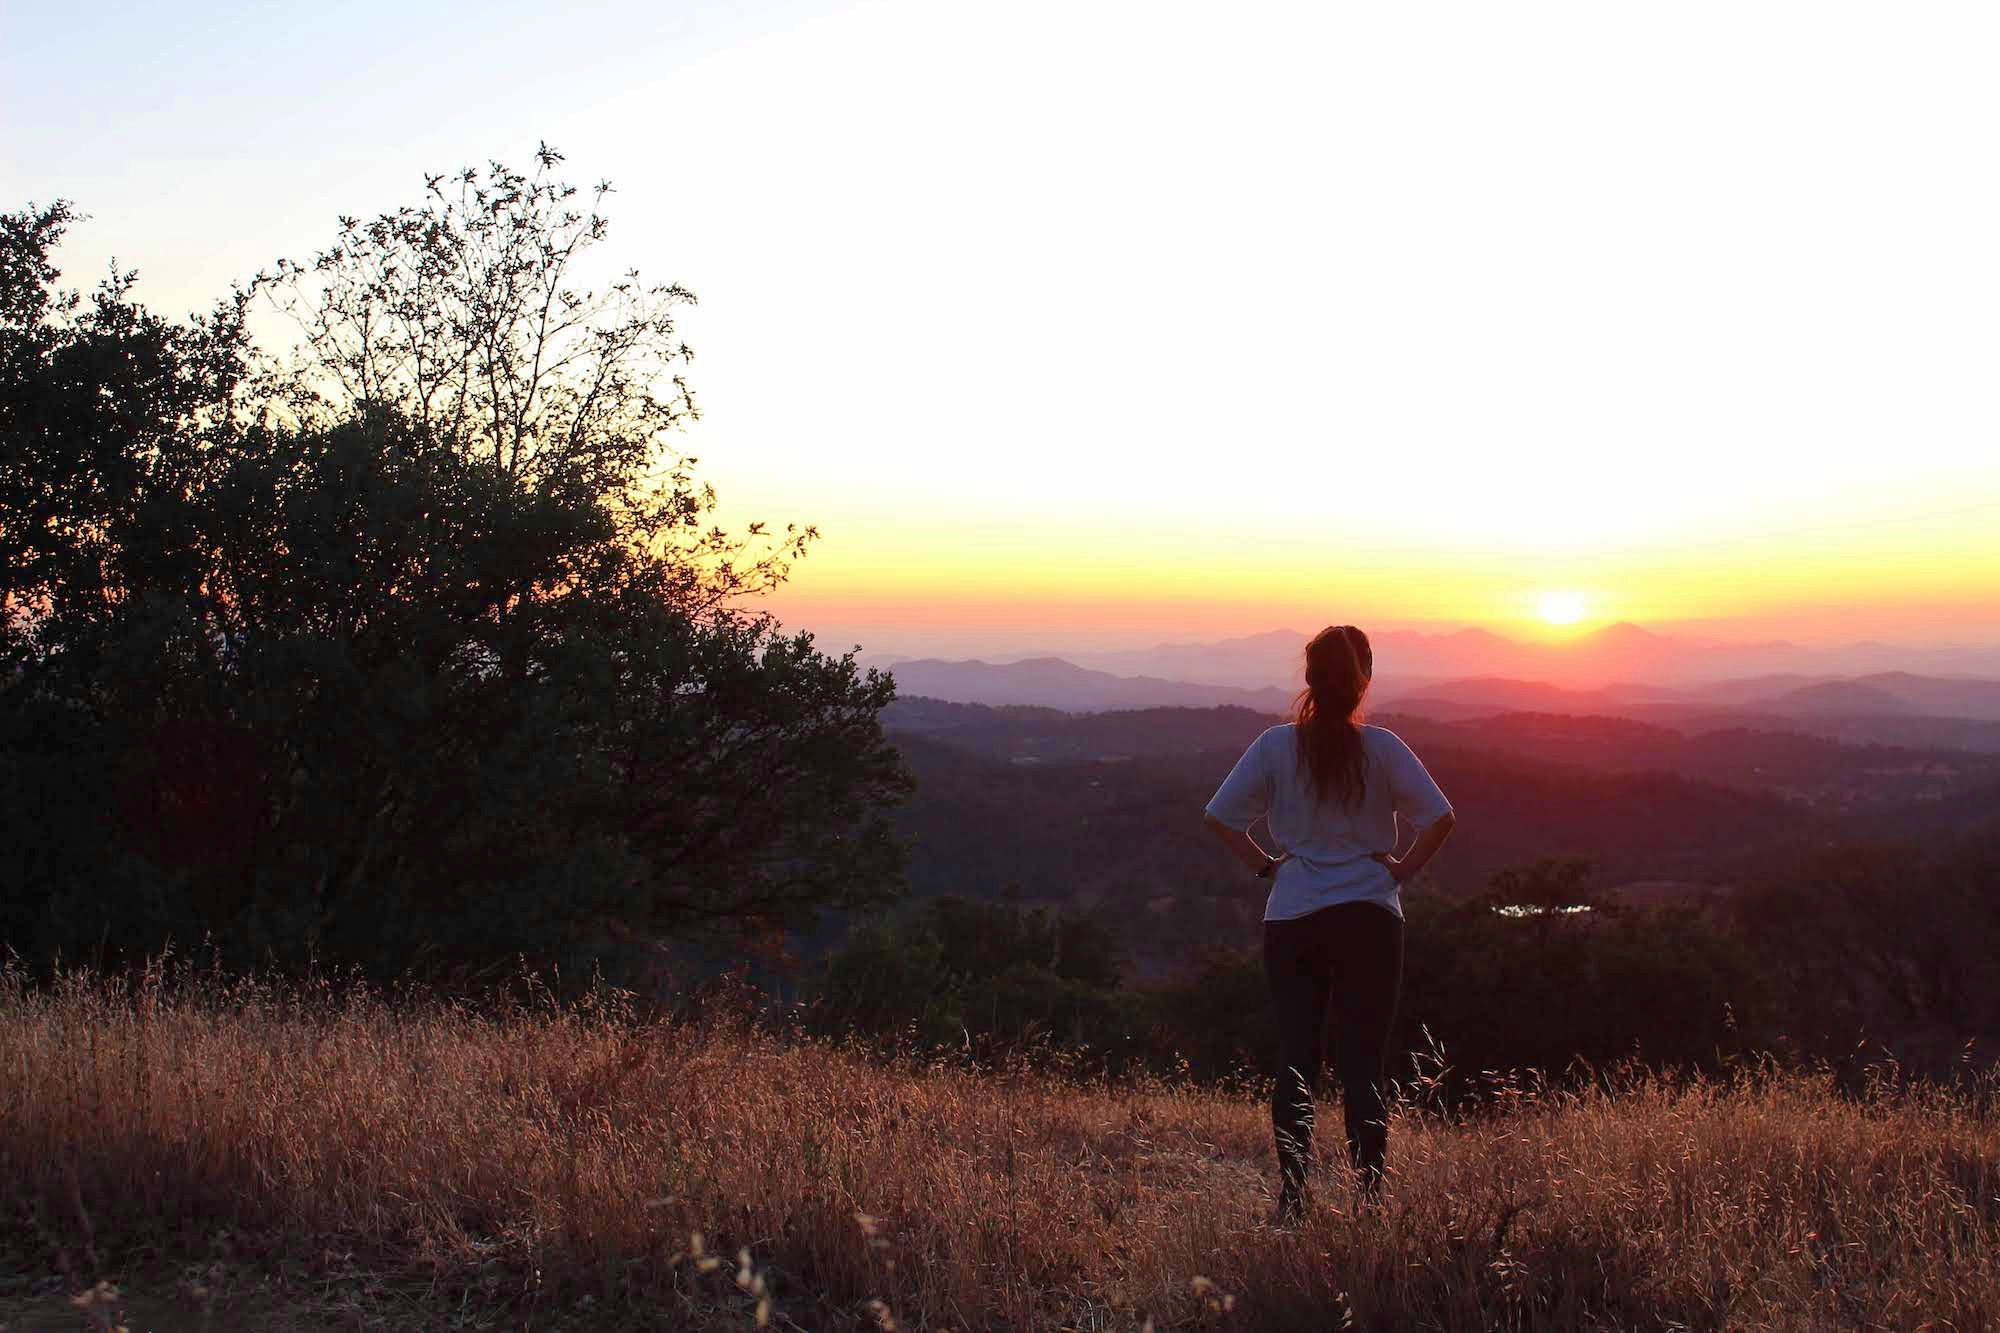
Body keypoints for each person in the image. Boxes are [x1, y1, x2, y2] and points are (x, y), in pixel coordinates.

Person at [1203, 624, 1455, 1218]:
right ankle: (1368, 1198)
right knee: (1364, 1063)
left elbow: (1220, 816)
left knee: (1297, 1057)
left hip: (1293, 915)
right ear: (1364, 679)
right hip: (1370, 916)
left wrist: (1266, 867)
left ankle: (1293, 1198)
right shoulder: (1383, 747)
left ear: (1310, 678)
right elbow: (1440, 818)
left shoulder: (1274, 746)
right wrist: (1399, 871)